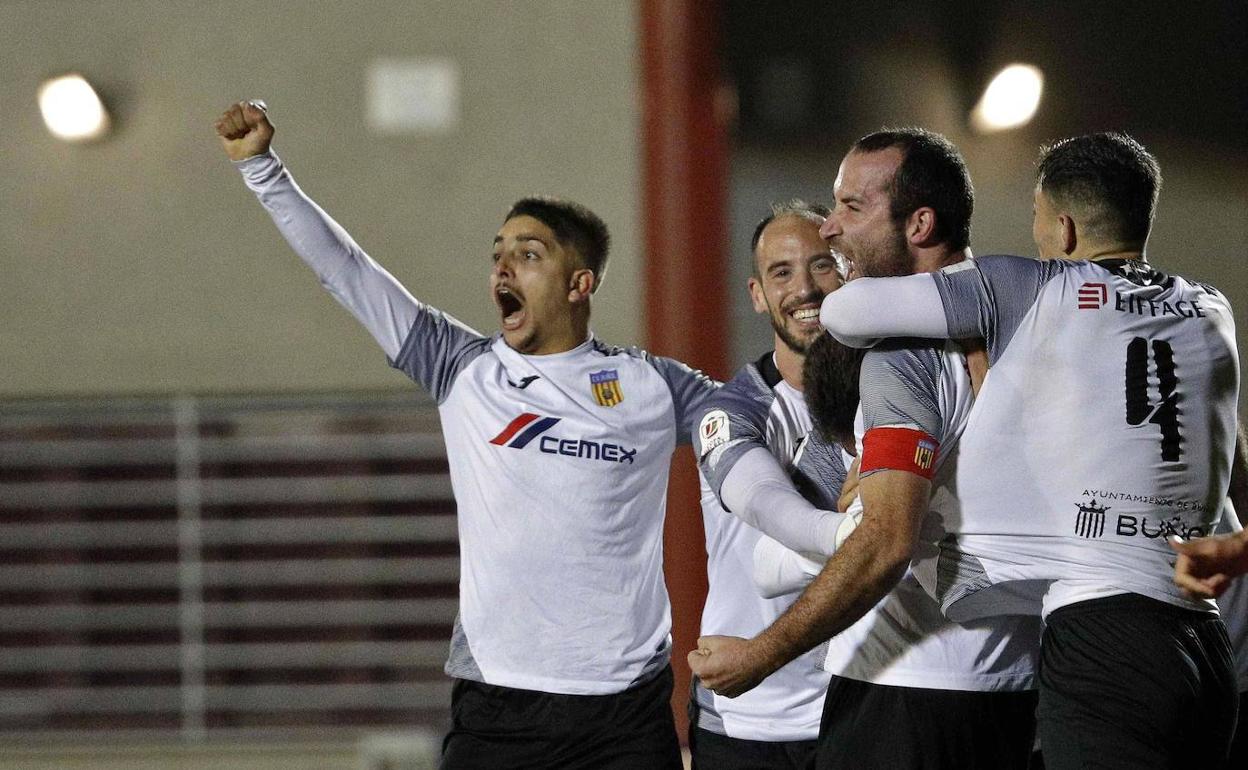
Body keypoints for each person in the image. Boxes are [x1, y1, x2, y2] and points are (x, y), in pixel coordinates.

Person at [214, 100, 716, 769]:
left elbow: (767, 423)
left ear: (579, 284)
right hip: (498, 707)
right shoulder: (463, 368)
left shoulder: (655, 387)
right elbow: (349, 272)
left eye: (528, 255)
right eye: (497, 255)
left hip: (624, 711)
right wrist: (263, 171)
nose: (503, 268)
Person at [817, 131, 1240, 768]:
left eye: (1038, 221)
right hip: (1206, 642)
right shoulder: (1210, 309)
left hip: (1103, 635)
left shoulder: (1033, 287)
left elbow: (847, 314)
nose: (1036, 237)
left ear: (1065, 229)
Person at [691, 129, 1040, 770]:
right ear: (756, 292)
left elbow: (881, 543)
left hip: (907, 691)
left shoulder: (895, 351)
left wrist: (761, 654)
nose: (831, 231)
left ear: (920, 222)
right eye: (779, 272)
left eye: (852, 208)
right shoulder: (1039, 318)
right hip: (1015, 685)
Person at [687, 201, 845, 769]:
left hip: (853, 709)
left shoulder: (890, 397)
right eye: (781, 273)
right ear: (757, 294)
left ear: (848, 271)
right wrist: (865, 530)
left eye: (822, 265)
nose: (804, 288)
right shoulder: (734, 408)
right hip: (745, 718)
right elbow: (763, 501)